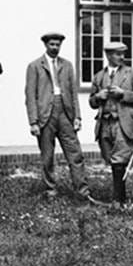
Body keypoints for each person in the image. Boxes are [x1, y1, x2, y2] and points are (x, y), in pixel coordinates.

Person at [25, 32, 97, 203]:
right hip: (45, 114)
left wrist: (77, 117)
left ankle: (82, 191)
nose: (55, 48)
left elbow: (73, 93)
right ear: (45, 45)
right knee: (47, 156)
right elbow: (30, 96)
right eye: (52, 44)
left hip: (65, 113)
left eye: (58, 45)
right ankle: (50, 189)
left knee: (75, 153)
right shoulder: (35, 66)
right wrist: (33, 122)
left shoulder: (67, 65)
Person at [89, 41, 133, 208]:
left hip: (124, 122)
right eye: (117, 54)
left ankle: (118, 200)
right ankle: (119, 197)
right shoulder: (99, 76)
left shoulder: (132, 73)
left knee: (120, 160)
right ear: (108, 55)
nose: (121, 57)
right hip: (105, 123)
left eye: (123, 53)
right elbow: (92, 102)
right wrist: (98, 97)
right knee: (110, 158)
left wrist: (123, 94)